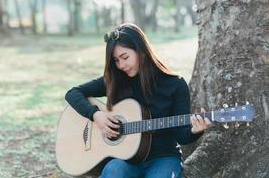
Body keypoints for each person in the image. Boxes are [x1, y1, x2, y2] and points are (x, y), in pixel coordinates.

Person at [65, 23, 211, 178]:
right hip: (124, 160)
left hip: (163, 158)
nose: (121, 65)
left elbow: (182, 136)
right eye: (116, 60)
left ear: (141, 51)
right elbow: (73, 93)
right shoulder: (116, 80)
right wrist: (96, 115)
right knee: (113, 172)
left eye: (125, 57)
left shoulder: (175, 84)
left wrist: (196, 131)